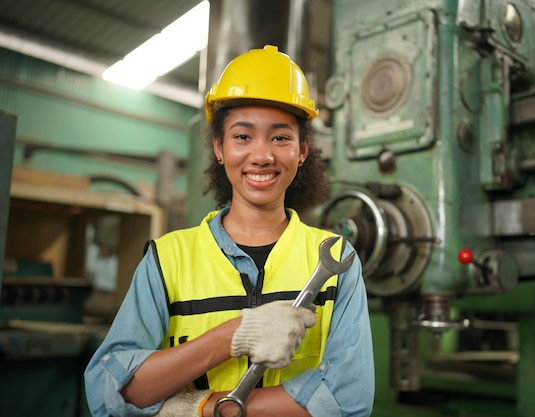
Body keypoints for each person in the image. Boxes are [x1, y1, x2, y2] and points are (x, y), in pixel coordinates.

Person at [84, 44, 374, 417]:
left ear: (302, 151)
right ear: (219, 148)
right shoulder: (168, 259)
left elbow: (348, 400)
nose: (262, 155)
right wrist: (236, 334)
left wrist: (204, 408)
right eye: (242, 137)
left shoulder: (336, 260)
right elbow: (113, 390)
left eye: (281, 138)